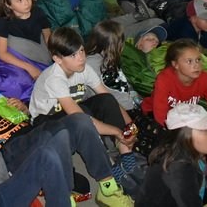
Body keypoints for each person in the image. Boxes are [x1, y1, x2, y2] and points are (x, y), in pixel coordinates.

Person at [0, 84, 134, 206]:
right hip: (11, 151)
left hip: (32, 132)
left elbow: (24, 120)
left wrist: (22, 110)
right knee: (56, 137)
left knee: (80, 121)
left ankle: (108, 187)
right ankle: (64, 196)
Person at [30, 28, 137, 169]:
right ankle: (107, 166)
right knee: (83, 115)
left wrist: (130, 126)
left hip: (72, 114)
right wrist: (117, 132)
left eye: (81, 50)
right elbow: (80, 116)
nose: (81, 58)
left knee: (106, 99)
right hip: (45, 123)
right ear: (57, 59)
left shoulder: (84, 69)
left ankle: (126, 155)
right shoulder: (54, 78)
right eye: (73, 55)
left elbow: (107, 96)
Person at [135, 103, 207, 206]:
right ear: (185, 138)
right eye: (204, 130)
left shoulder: (202, 149)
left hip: (190, 194)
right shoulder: (179, 168)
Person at [86, 20, 147, 111]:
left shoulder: (107, 58)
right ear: (116, 45)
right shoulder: (95, 64)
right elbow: (114, 96)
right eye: (122, 41)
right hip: (121, 110)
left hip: (128, 103)